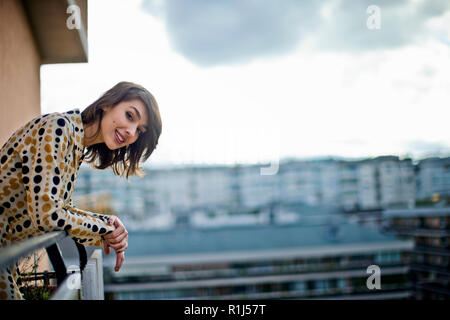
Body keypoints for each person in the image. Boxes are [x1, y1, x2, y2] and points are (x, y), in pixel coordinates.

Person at [0, 81, 162, 299]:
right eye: (130, 116)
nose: (131, 132)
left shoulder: (74, 143)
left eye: (139, 131)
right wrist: (103, 230)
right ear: (108, 103)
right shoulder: (58, 127)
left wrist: (108, 225)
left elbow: (60, 209)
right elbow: (48, 215)